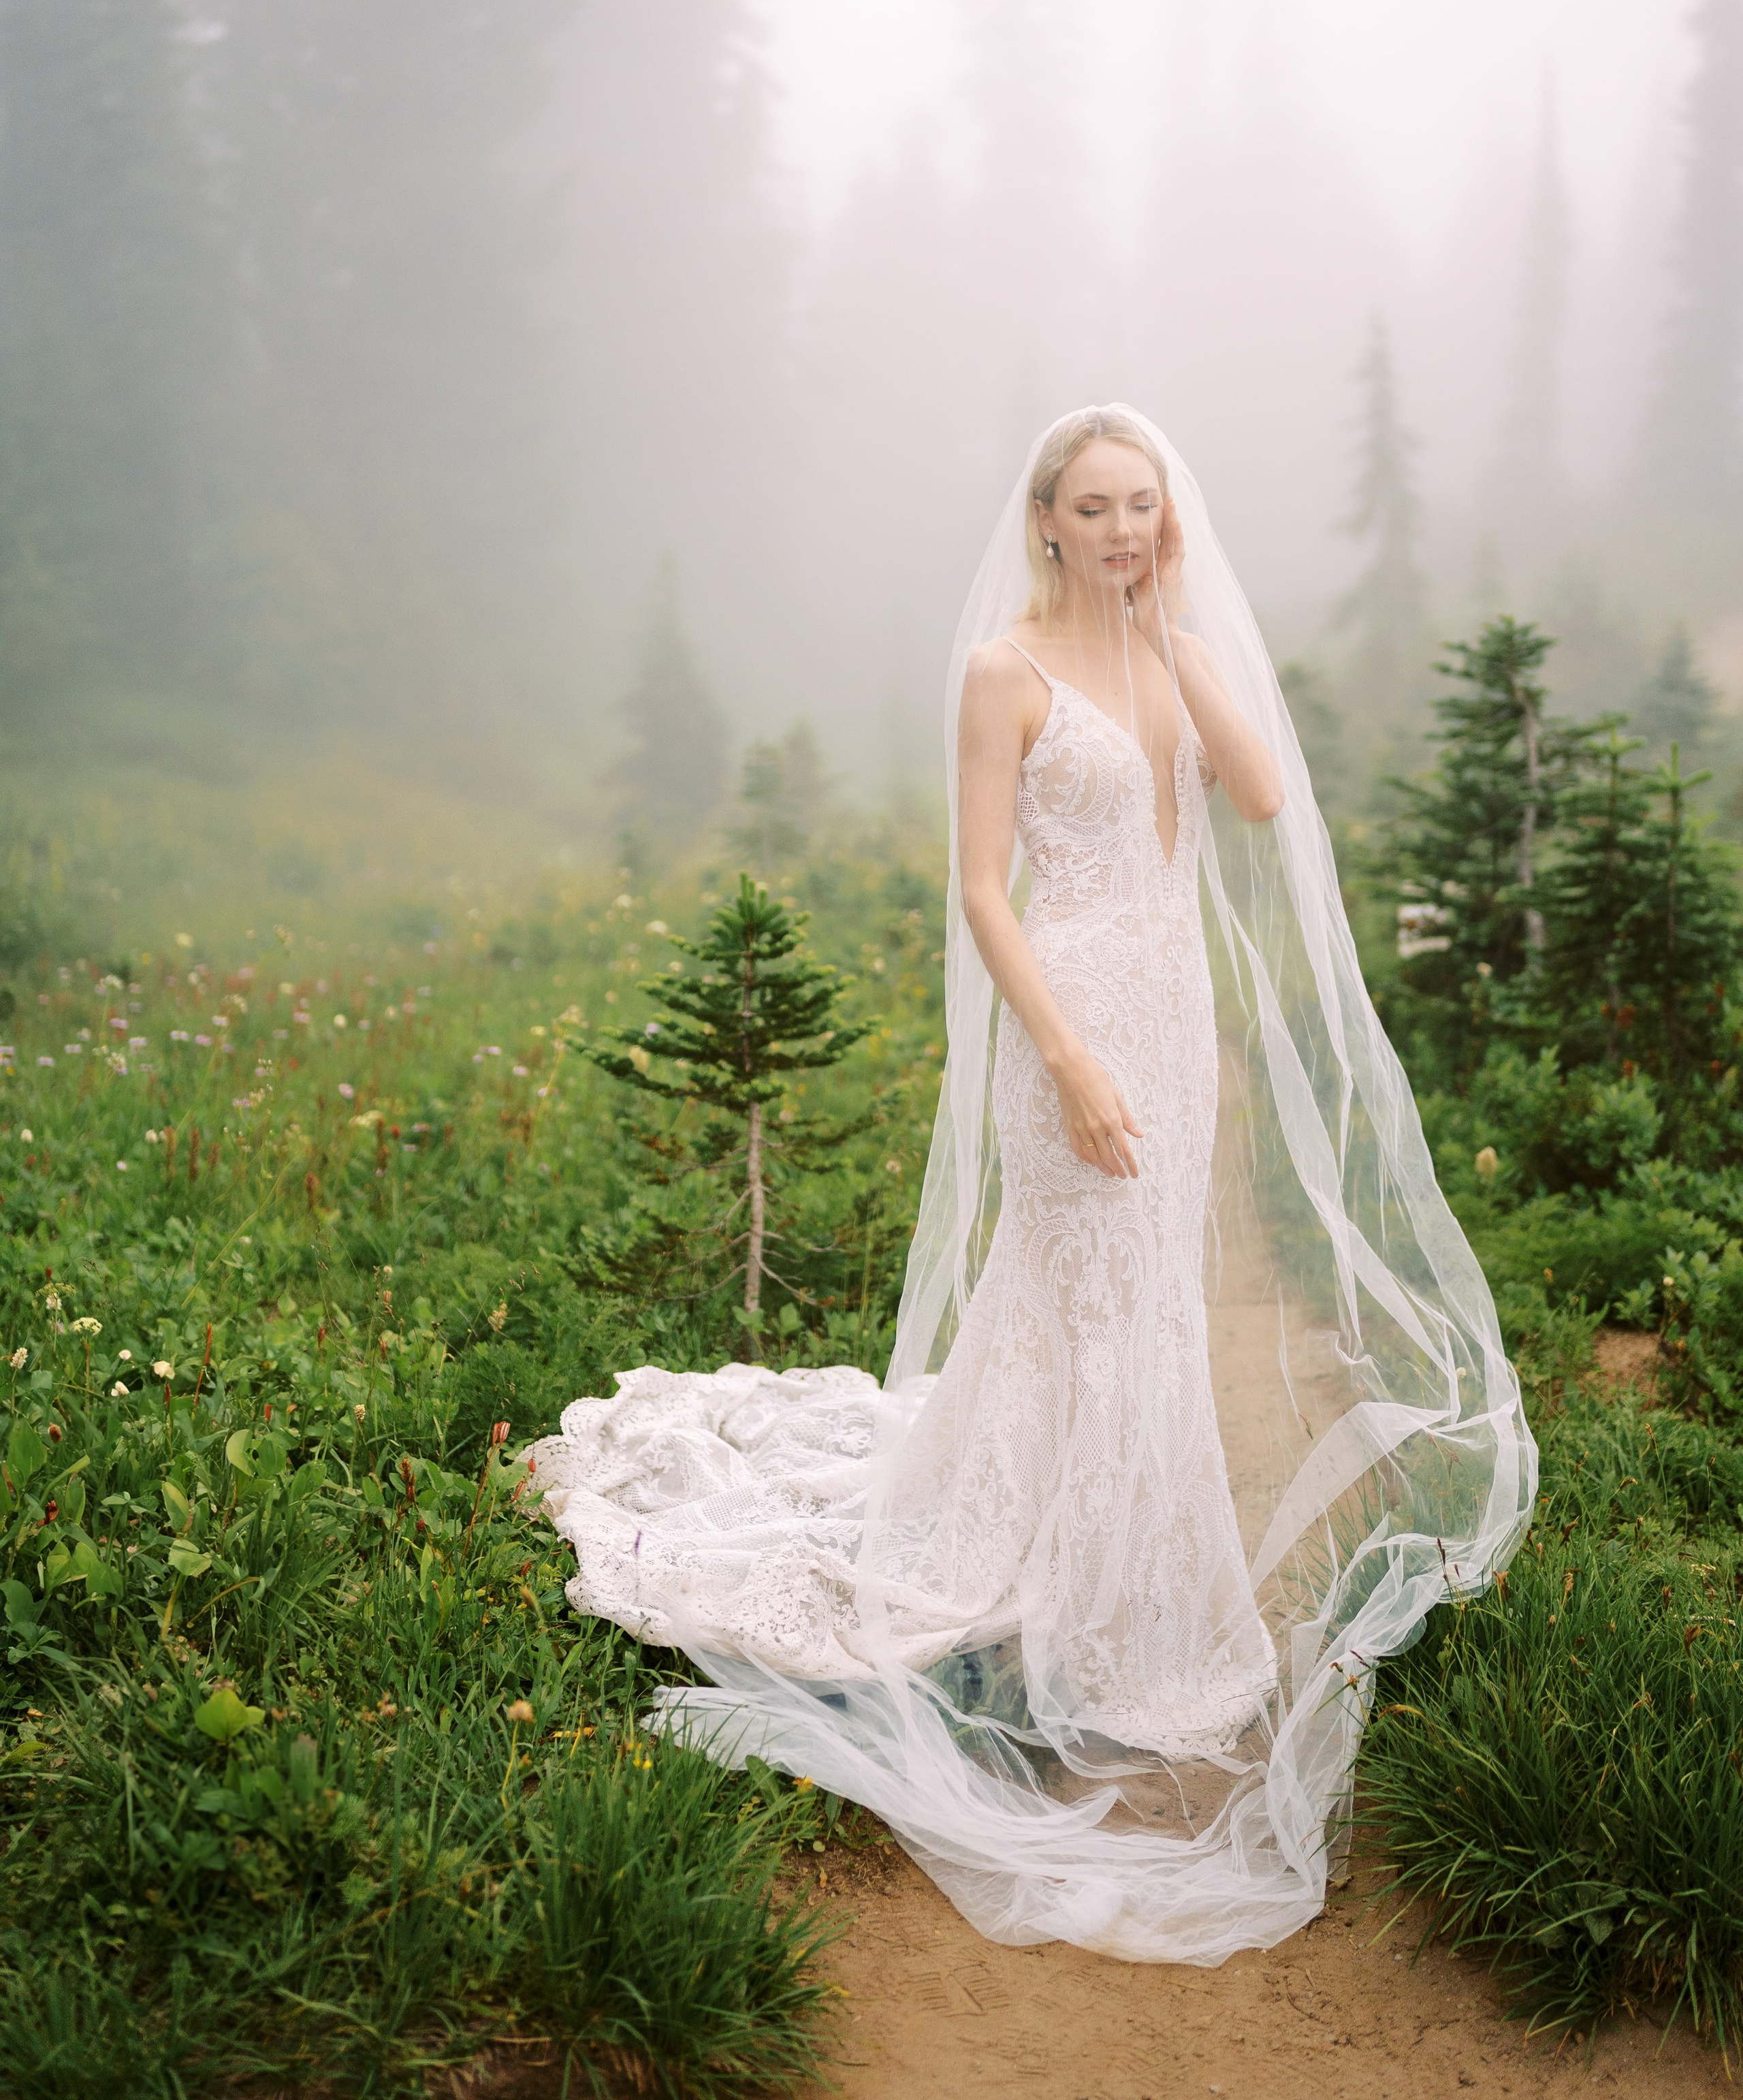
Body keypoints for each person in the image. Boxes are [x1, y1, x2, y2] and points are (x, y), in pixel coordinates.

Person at [530, 404, 1534, 1964]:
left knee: (1145, 1302)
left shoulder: (1169, 648)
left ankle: (1123, 1577)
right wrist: (1059, 1054)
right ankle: (1049, 1579)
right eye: (1096, 507)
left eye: (1143, 505)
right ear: (1045, 520)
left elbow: (1261, 800)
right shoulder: (1003, 672)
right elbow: (982, 890)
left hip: (1168, 1016)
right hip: (1065, 1019)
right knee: (1078, 1284)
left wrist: (1182, 638)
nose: (1123, 527)